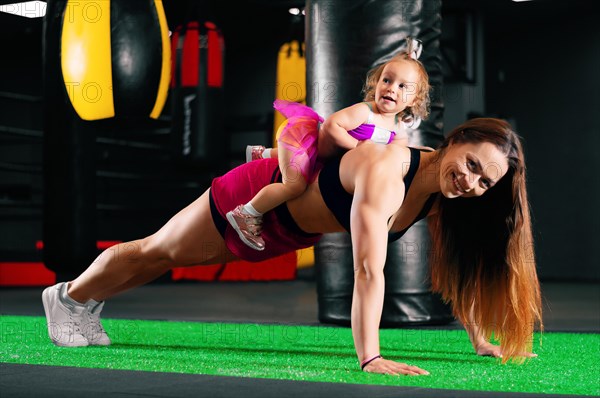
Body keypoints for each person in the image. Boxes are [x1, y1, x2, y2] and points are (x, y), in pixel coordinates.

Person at [41, 117, 543, 376]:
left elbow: (455, 263)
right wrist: (370, 357)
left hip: (287, 234)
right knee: (156, 250)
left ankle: (84, 301)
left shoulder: (439, 195)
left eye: (484, 184)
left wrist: (479, 337)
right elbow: (369, 270)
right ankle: (68, 298)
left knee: (164, 260)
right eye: (474, 165)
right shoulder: (390, 170)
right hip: (255, 198)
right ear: (457, 140)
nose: (471, 183)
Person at [225, 38, 431, 251]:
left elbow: (397, 158)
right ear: (376, 84)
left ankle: (264, 155)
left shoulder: (398, 131)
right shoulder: (365, 111)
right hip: (301, 137)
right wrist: (357, 147)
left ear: (414, 100)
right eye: (386, 80)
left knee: (312, 161)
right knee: (295, 186)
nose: (391, 89)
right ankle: (246, 213)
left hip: (320, 154)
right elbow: (332, 126)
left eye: (402, 86)